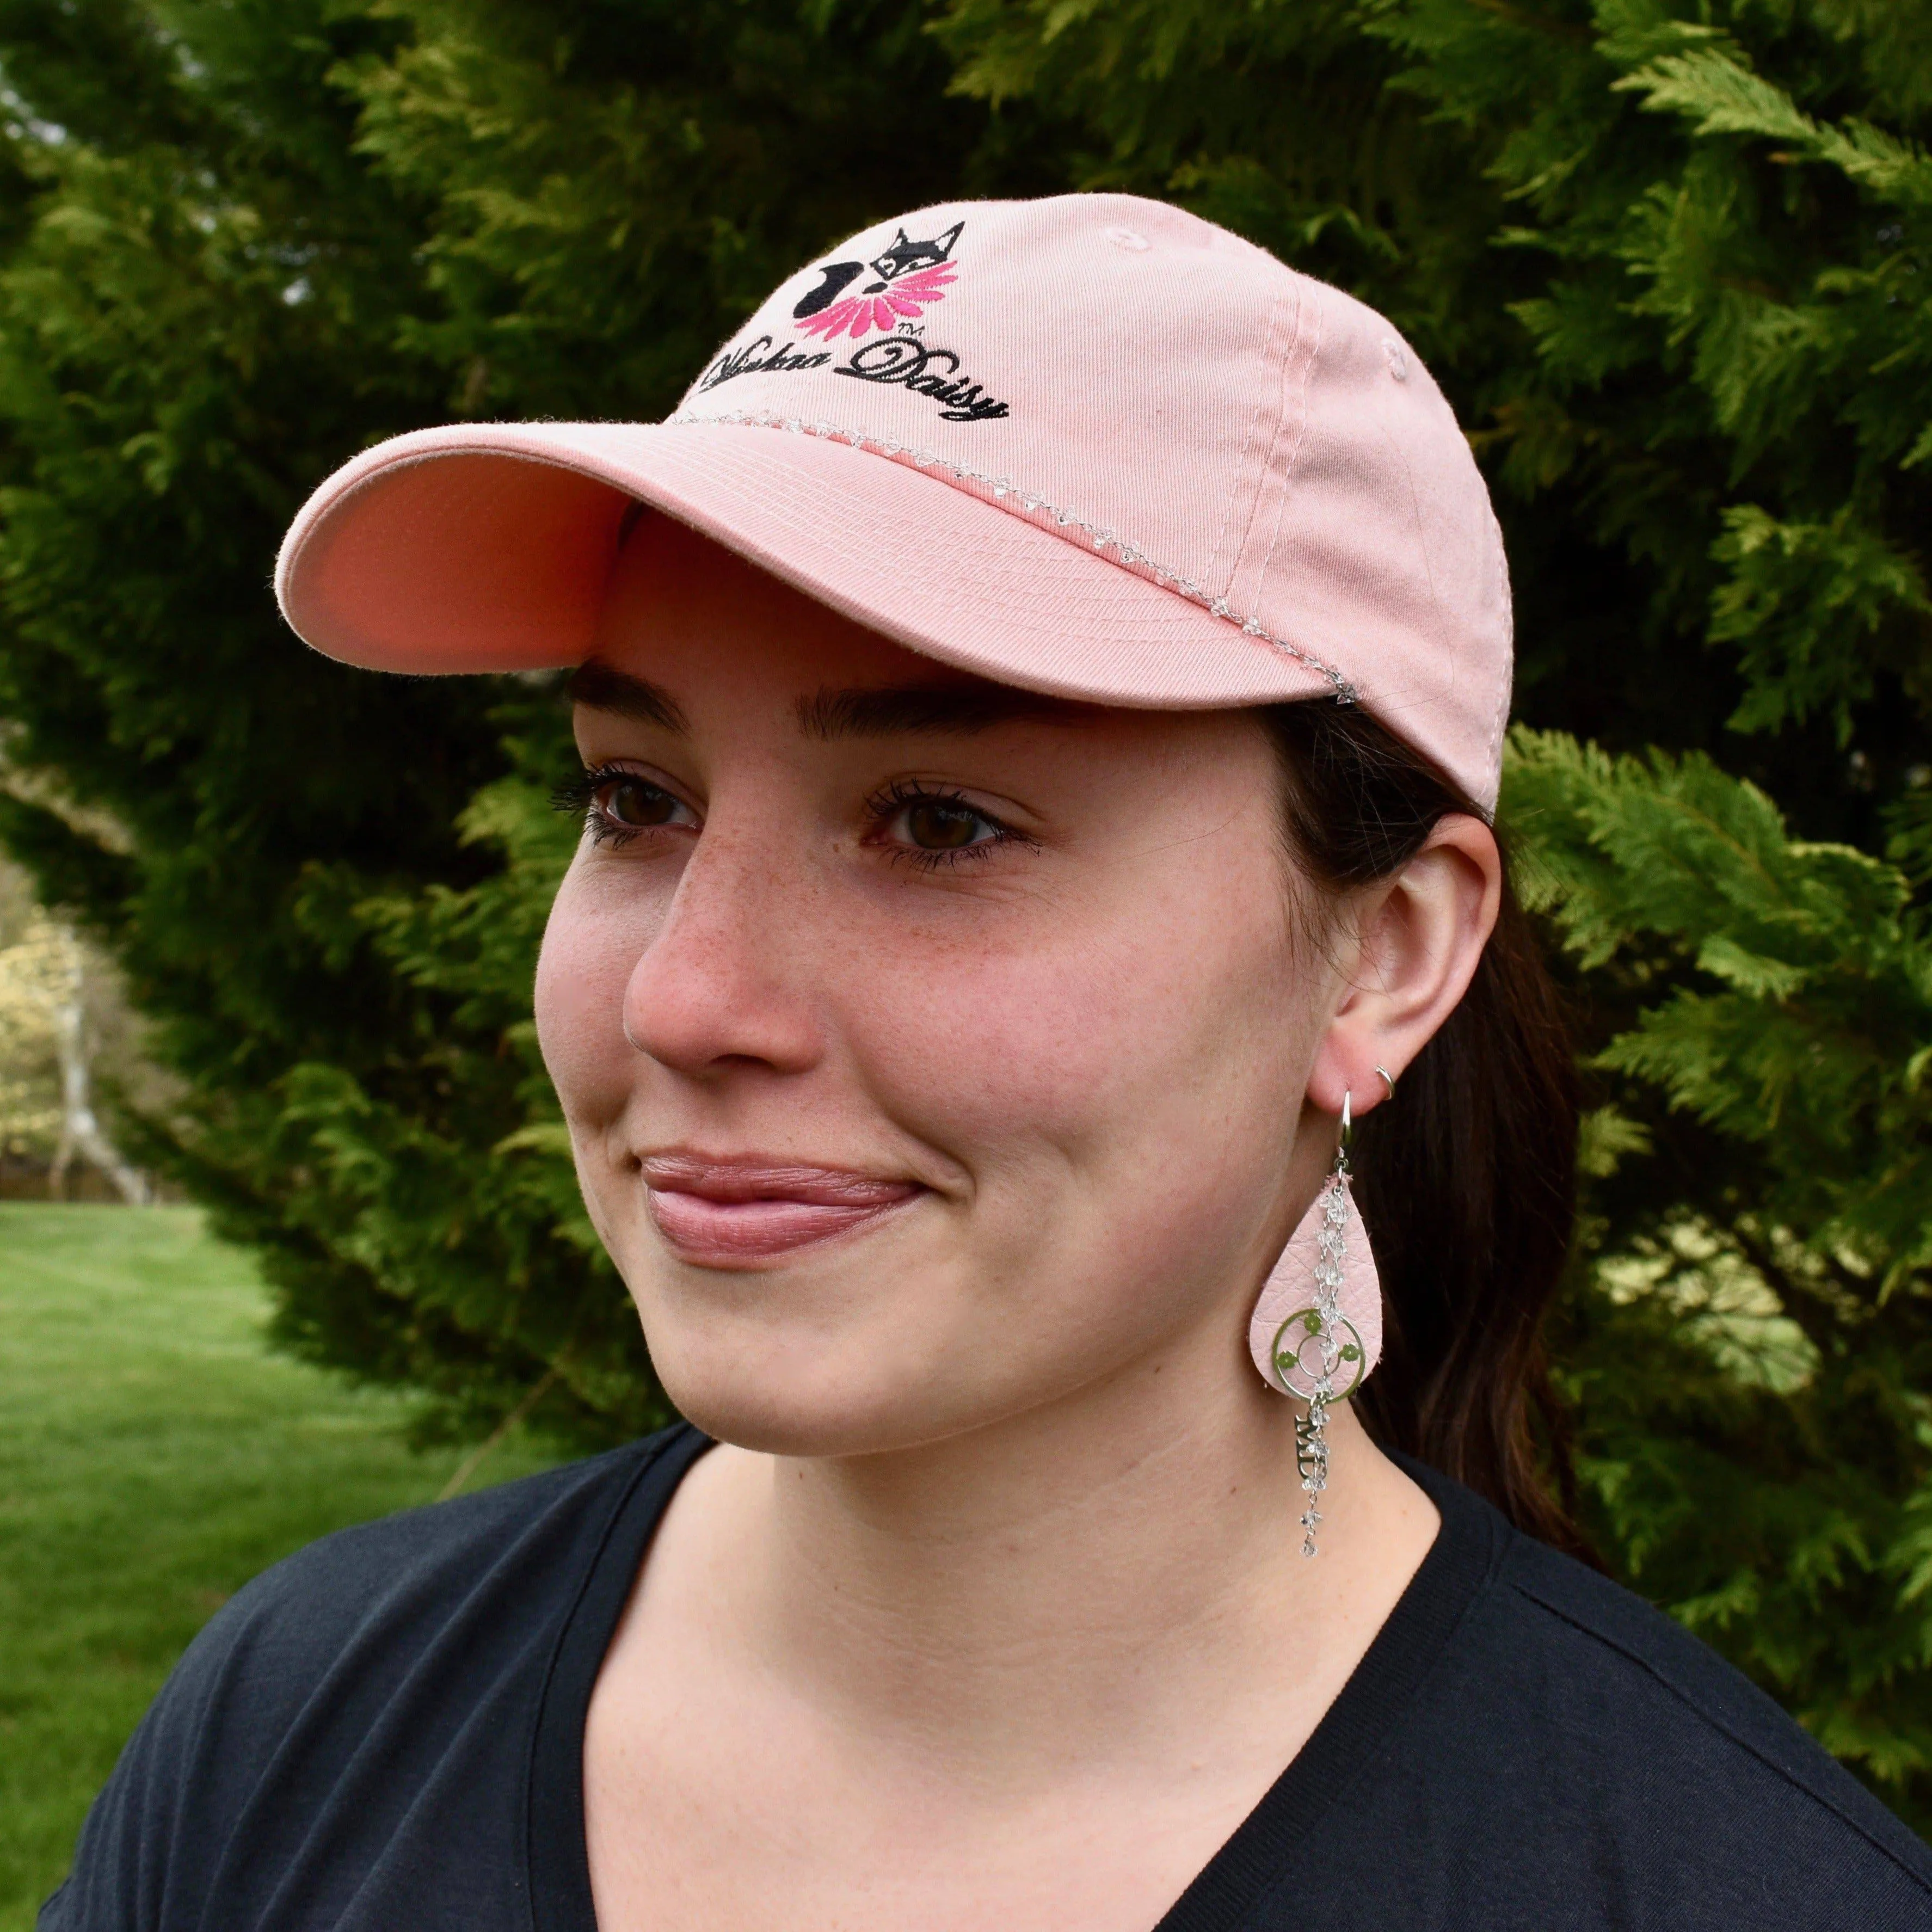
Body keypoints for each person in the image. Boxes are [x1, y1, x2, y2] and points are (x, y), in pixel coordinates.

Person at [40, 195, 1932, 1932]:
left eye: (939, 822)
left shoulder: (1726, 1886)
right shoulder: (295, 1726)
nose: (683, 1001)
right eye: (635, 796)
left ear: (1384, 954)